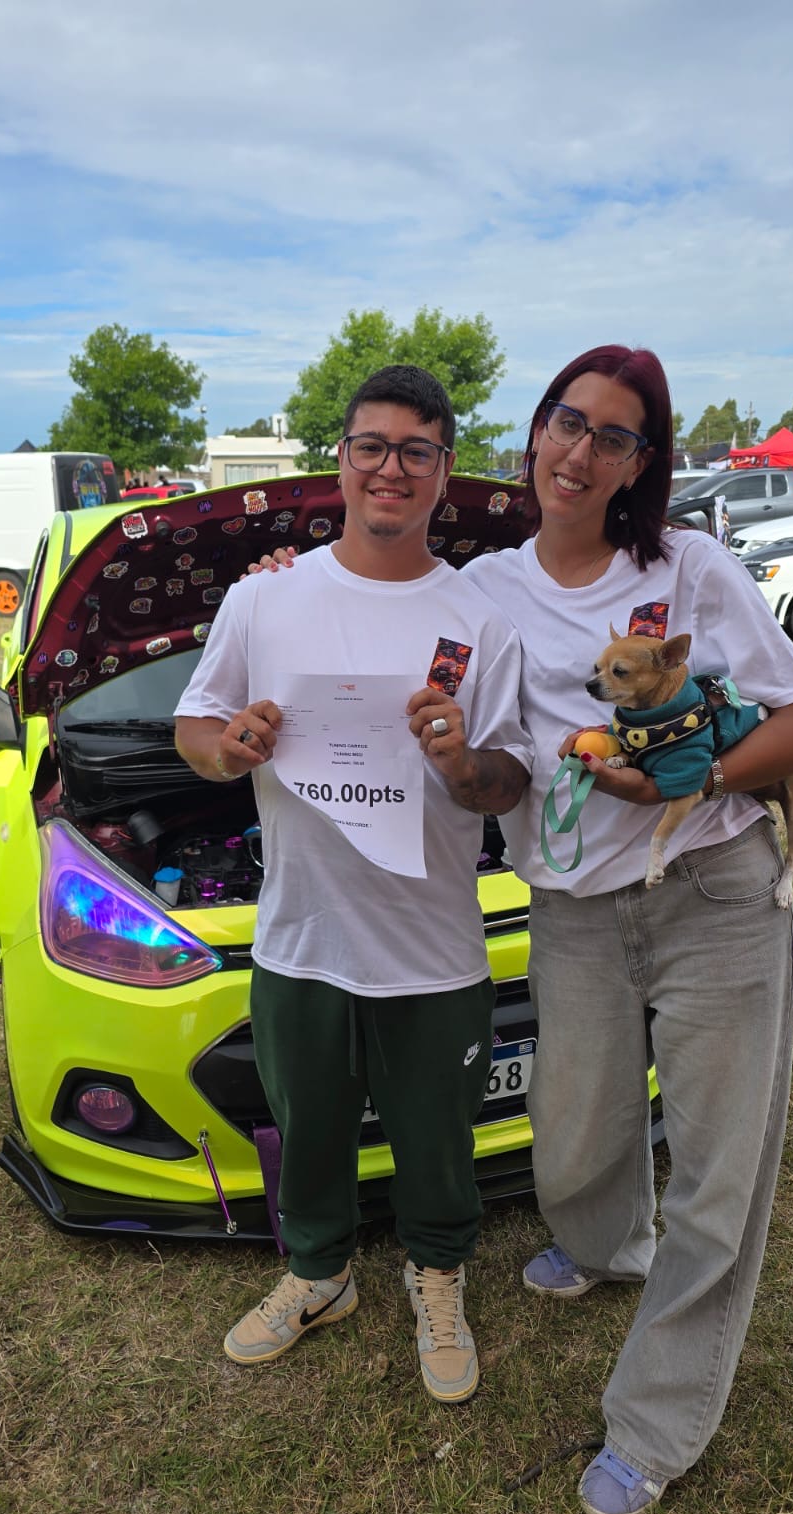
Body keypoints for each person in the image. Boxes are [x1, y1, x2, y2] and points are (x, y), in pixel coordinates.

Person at [251, 346, 793, 1514]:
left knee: (717, 1179)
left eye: (614, 436)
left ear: (639, 462)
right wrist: (281, 581)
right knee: (571, 1148)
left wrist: (689, 776)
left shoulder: (690, 569)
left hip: (711, 893)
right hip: (572, 909)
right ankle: (609, 1244)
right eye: (568, 422)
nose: (580, 452)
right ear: (534, 433)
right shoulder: (488, 588)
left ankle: (656, 1424)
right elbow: (382, 616)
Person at [174, 366, 532, 1403]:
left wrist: (461, 761)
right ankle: (319, 1273)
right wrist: (229, 747)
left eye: (417, 451)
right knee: (311, 1129)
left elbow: (508, 779)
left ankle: (438, 1275)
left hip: (432, 947)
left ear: (444, 471)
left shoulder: (479, 620)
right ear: (340, 460)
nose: (391, 469)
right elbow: (195, 725)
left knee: (438, 1138)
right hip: (301, 936)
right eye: (371, 446)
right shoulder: (264, 597)